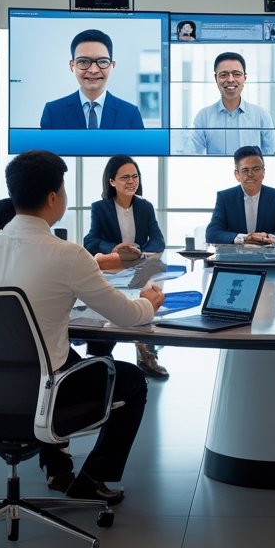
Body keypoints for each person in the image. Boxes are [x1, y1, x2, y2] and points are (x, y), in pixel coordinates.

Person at [0, 150, 165, 502]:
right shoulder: (68, 255)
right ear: (54, 197)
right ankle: (93, 477)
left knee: (59, 351)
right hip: (45, 389)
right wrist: (150, 301)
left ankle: (57, 467)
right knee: (131, 381)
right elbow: (128, 316)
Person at [83, 154, 169, 379]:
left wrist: (140, 251)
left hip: (139, 266)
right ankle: (99, 358)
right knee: (107, 303)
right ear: (112, 181)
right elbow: (91, 241)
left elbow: (158, 239)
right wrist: (115, 249)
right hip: (112, 270)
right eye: (125, 177)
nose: (131, 181)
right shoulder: (100, 208)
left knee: (150, 292)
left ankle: (145, 353)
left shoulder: (145, 207)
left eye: (135, 176)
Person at [40, 29, 145, 129]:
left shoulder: (130, 113)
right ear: (72, 65)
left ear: (112, 66)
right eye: (83, 62)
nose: (93, 70)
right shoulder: (53, 112)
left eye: (102, 62)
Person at [188, 52, 275, 156]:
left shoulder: (261, 115)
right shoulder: (204, 116)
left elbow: (272, 154)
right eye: (223, 75)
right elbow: (193, 154)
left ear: (245, 78)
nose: (230, 80)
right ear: (216, 78)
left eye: (236, 74)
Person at [205, 145, 275, 245]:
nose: (250, 174)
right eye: (245, 170)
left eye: (256, 169)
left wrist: (273, 238)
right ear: (237, 175)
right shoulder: (225, 197)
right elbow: (212, 233)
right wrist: (244, 238)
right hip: (235, 258)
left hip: (269, 258)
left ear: (263, 172)